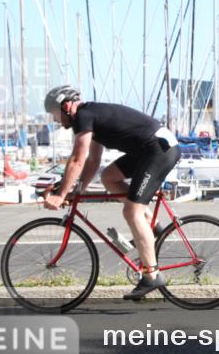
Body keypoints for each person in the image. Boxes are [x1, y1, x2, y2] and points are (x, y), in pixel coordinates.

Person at [42, 85, 181, 300]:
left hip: (158, 150)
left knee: (131, 212)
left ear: (66, 106)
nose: (56, 120)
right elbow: (92, 161)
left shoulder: (84, 117)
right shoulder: (92, 118)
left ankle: (152, 275)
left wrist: (60, 195)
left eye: (55, 114)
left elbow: (77, 159)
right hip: (149, 149)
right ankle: (151, 226)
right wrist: (77, 190)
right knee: (109, 177)